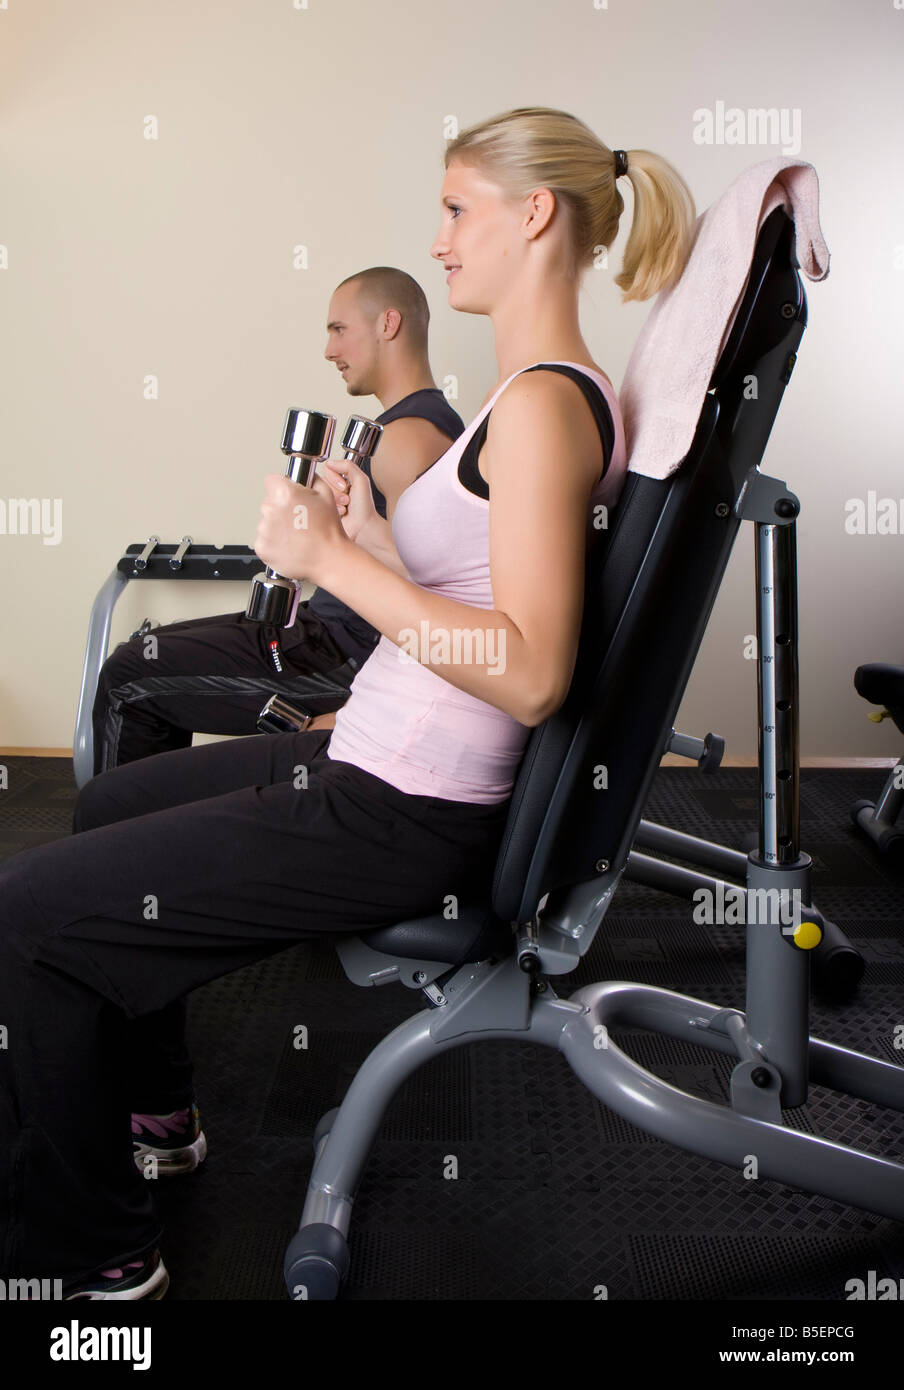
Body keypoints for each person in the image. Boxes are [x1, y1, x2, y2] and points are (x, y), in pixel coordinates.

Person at [0, 106, 696, 1300]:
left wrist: (331, 561)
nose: (438, 239)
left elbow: (534, 670)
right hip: (369, 757)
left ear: (533, 214)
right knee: (110, 804)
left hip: (401, 809)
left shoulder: (543, 407)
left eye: (456, 209)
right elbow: (474, 597)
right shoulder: (524, 397)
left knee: (21, 920)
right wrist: (371, 537)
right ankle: (156, 1115)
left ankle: (92, 1251)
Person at [91, 267, 465, 773]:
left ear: (388, 324)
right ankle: (158, 807)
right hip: (318, 631)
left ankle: (117, 821)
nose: (329, 350)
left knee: (129, 678)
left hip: (337, 653)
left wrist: (349, 715)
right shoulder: (408, 426)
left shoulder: (407, 439)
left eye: (339, 329)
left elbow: (429, 598)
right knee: (143, 654)